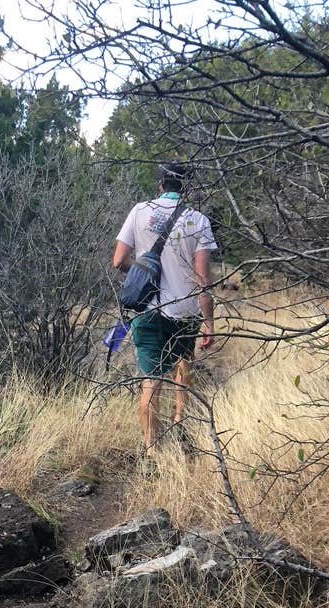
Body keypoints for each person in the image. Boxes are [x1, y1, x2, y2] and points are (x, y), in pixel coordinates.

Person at [113, 162, 217, 450]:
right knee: (184, 366)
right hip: (185, 311)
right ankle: (180, 425)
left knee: (151, 380)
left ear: (160, 184)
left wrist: (142, 272)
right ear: (186, 188)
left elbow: (119, 260)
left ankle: (150, 451)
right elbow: (202, 278)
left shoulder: (139, 211)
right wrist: (209, 321)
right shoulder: (198, 221)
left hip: (146, 309)